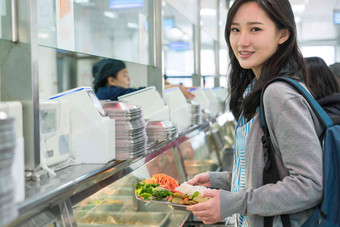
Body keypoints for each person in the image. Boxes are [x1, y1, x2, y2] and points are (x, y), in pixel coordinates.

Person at [186, 1, 324, 226]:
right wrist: (218, 181)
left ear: (283, 34)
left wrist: (234, 203)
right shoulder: (256, 87)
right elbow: (271, 172)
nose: (242, 42)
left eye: (255, 29)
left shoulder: (278, 95)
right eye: (235, 29)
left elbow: (308, 185)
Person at [93, 59, 195, 100]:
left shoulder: (110, 92)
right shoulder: (108, 93)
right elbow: (140, 93)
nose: (128, 78)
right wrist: (170, 88)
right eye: (124, 75)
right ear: (111, 80)